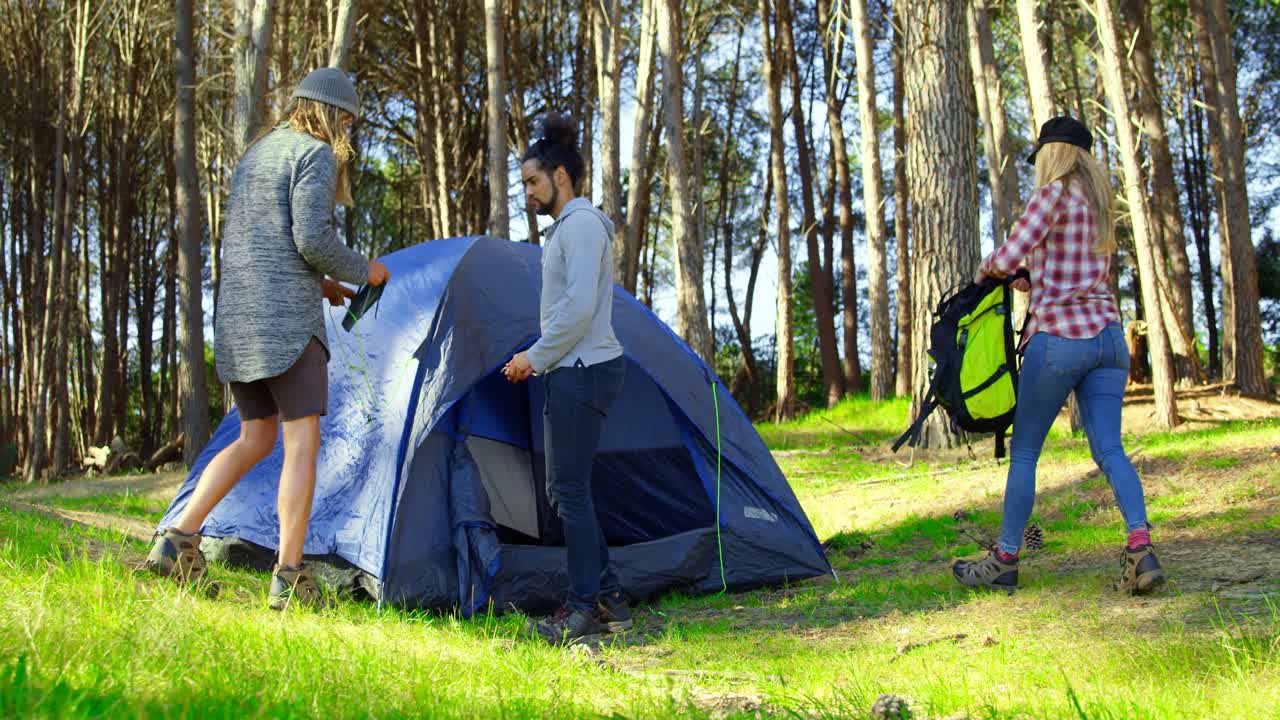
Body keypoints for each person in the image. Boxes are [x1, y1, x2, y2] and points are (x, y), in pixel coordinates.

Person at [145, 68, 390, 610]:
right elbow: (311, 238)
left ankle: (178, 539)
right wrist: (360, 271)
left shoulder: (258, 153)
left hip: (239, 320)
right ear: (332, 115)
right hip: (285, 328)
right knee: (302, 444)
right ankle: (289, 575)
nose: (347, 133)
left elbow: (268, 240)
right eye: (347, 121)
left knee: (255, 437)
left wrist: (323, 285)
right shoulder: (316, 155)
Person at [952, 116, 1165, 595]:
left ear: (1054, 154)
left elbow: (1005, 259)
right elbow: (1066, 265)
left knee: (1025, 451)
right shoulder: (1099, 205)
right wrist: (1034, 274)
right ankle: (1141, 547)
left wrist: (992, 270)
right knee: (1110, 449)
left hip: (1060, 340)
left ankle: (1005, 558)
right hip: (1108, 338)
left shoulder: (1050, 196)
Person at [503, 114, 630, 645]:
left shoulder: (579, 225)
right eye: (524, 184)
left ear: (560, 175)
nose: (527, 192)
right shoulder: (572, 228)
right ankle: (611, 601)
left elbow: (577, 309)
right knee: (567, 492)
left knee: (568, 494)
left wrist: (534, 355)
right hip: (574, 367)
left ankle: (583, 611)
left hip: (581, 369)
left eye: (532, 181)